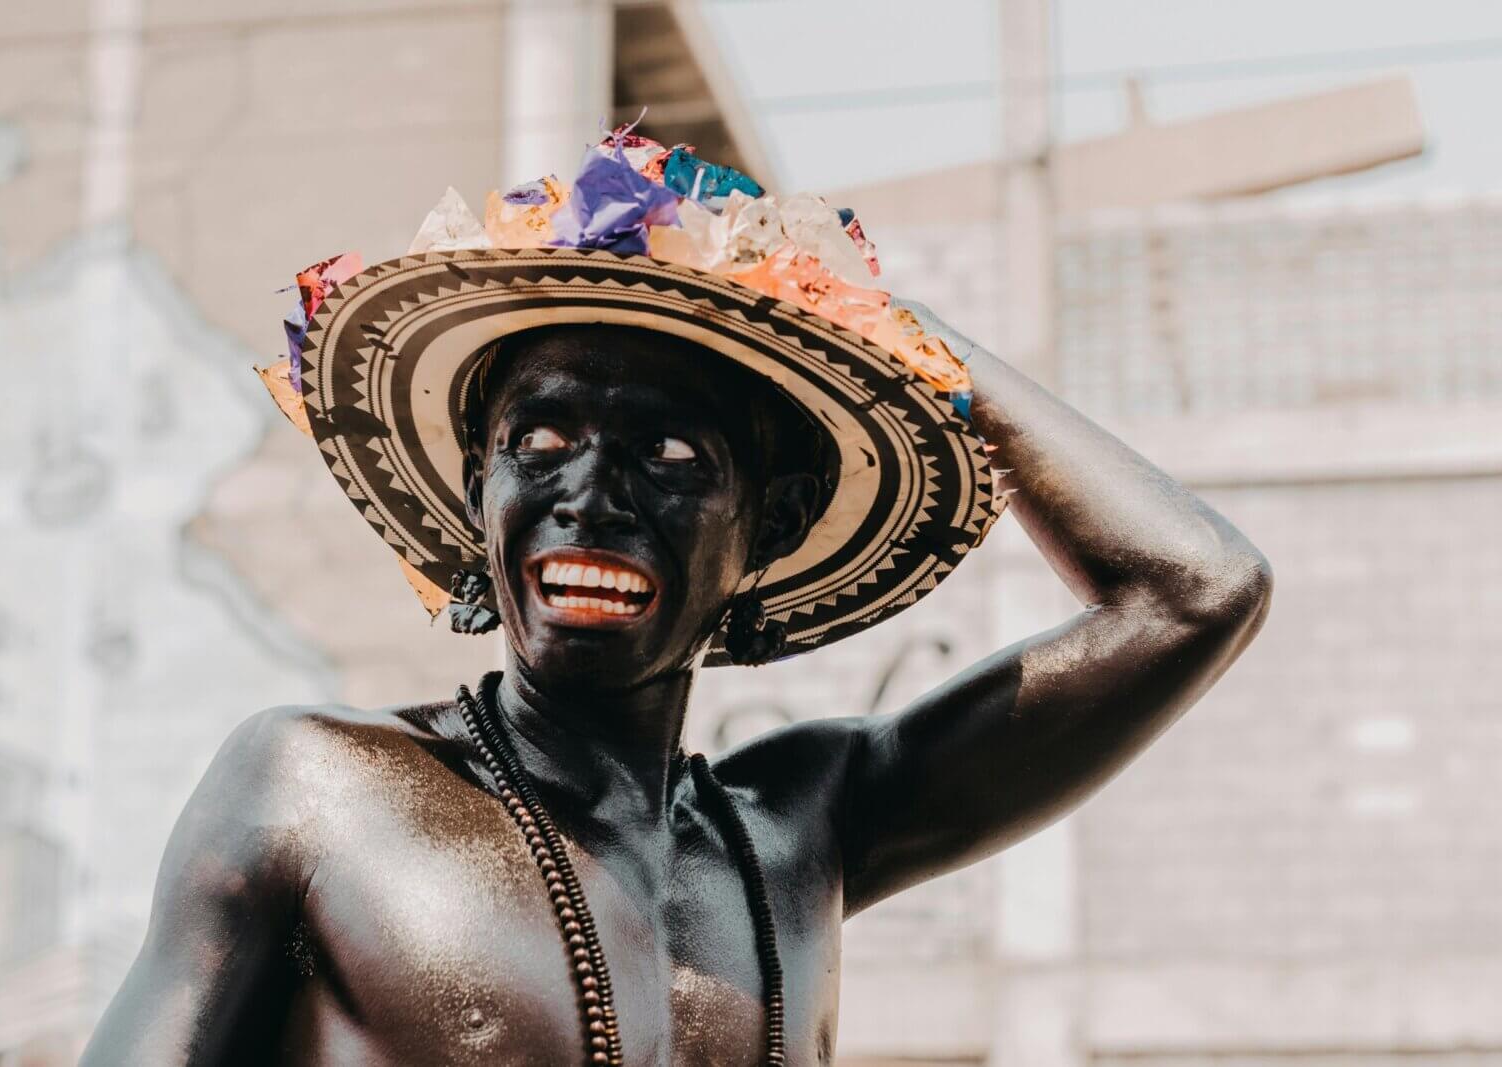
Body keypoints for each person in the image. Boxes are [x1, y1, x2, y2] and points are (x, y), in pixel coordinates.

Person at [82, 132, 1272, 1066]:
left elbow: (1197, 587)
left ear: (779, 518)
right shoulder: (313, 788)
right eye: (538, 439)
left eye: (671, 457)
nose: (587, 497)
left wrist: (868, 318)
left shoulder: (803, 825)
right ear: (475, 486)